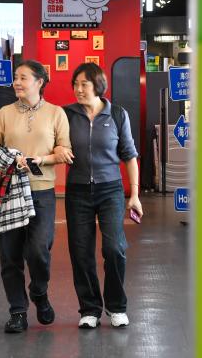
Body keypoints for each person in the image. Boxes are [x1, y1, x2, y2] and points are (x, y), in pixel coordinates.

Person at [0, 60, 73, 334]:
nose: (16, 83)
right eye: (15, 78)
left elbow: (64, 151)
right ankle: (18, 312)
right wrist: (12, 158)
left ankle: (39, 292)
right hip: (8, 192)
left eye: (23, 78)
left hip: (42, 192)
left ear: (39, 82)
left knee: (38, 250)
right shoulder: (5, 113)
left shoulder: (56, 113)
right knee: (10, 256)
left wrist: (41, 159)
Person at [63, 62, 142, 329]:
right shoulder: (66, 114)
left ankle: (117, 307)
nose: (78, 89)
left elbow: (129, 156)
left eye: (84, 84)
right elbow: (54, 144)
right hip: (77, 191)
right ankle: (90, 309)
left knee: (114, 248)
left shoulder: (117, 114)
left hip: (110, 190)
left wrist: (135, 195)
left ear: (98, 85)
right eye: (75, 84)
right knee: (81, 252)